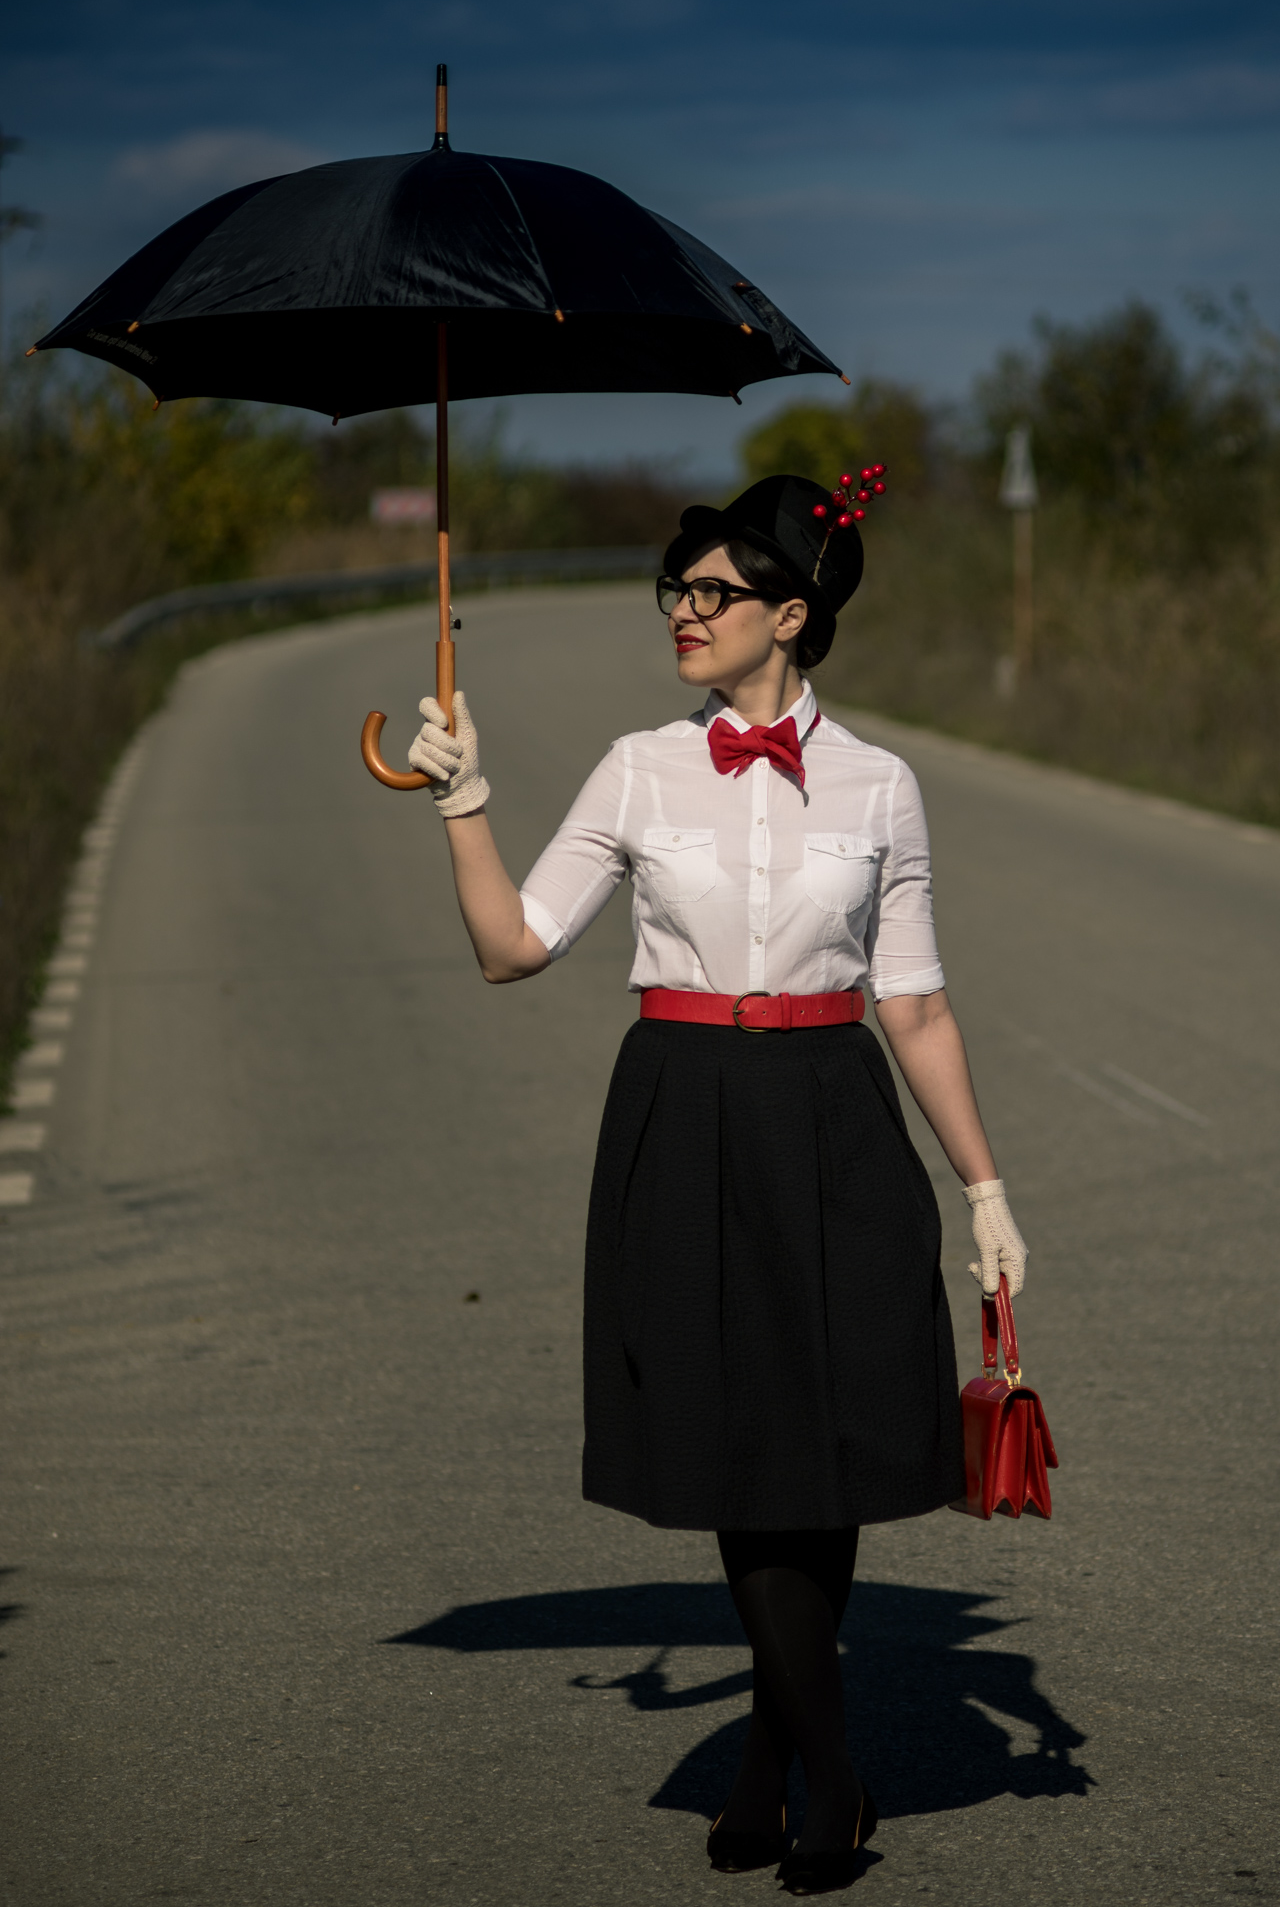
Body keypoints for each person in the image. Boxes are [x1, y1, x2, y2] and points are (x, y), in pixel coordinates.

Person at [407, 473, 1028, 1897]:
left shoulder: (884, 785)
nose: (682, 615)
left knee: (822, 1444)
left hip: (837, 1115)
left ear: (790, 615)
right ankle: (834, 1771)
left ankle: (769, 1758)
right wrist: (464, 798)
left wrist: (987, 1193)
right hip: (684, 1113)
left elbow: (916, 1008)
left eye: (712, 594)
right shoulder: (637, 766)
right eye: (674, 593)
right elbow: (515, 945)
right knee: (741, 1444)